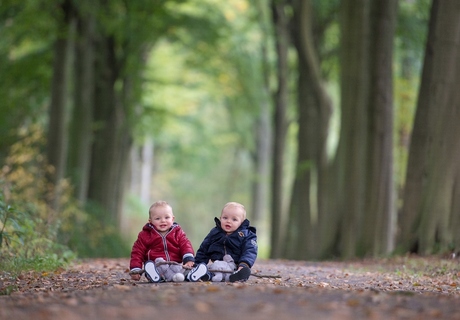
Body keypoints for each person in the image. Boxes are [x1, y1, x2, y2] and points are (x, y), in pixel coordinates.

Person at [129, 200, 208, 282]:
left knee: (184, 269)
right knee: (157, 264)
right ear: (150, 221)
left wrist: (188, 258)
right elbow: (137, 252)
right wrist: (136, 269)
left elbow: (185, 244)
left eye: (167, 217)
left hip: (175, 265)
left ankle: (192, 274)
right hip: (158, 266)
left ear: (172, 219)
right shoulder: (145, 235)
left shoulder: (177, 232)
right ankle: (155, 276)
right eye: (157, 218)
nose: (163, 220)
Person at [194, 201, 257, 282]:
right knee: (211, 269)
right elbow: (204, 248)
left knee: (236, 272)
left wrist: (244, 264)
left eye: (234, 219)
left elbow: (250, 251)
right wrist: (198, 263)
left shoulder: (246, 235)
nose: (228, 221)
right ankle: (205, 274)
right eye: (225, 218)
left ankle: (238, 276)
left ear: (241, 222)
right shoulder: (215, 232)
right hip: (216, 265)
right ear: (220, 218)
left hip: (235, 266)